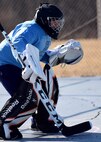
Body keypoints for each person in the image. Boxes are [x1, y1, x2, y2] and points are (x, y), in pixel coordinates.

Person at [0, 3, 83, 140]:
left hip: (19, 65)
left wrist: (57, 55)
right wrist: (25, 58)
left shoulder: (45, 36)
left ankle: (43, 122)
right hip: (6, 65)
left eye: (58, 22)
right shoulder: (31, 28)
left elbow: (39, 54)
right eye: (54, 21)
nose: (57, 25)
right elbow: (18, 41)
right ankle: (3, 124)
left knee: (49, 83)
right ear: (45, 20)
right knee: (28, 98)